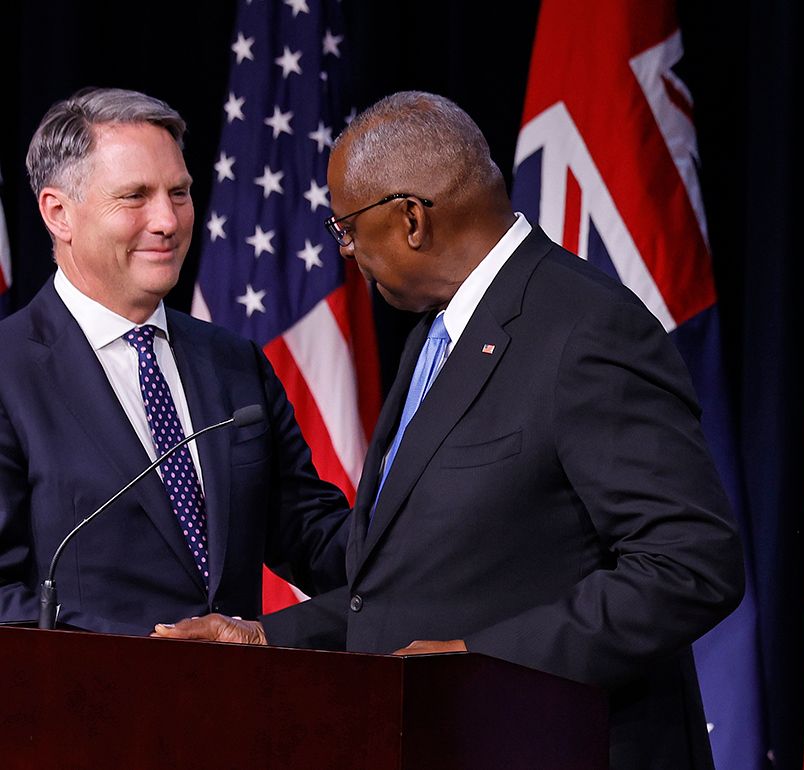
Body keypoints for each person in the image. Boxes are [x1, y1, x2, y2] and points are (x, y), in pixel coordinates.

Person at [155, 92, 744, 770]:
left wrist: (483, 662)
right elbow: (409, 591)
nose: (345, 251)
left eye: (345, 228)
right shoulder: (437, 336)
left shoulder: (584, 329)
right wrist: (259, 638)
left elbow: (689, 562)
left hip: (564, 745)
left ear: (410, 220)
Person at [0, 88, 349, 634]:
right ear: (58, 213)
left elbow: (310, 533)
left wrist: (427, 545)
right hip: (80, 709)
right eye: (136, 196)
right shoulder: (9, 371)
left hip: (247, 708)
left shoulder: (235, 363)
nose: (167, 220)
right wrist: (153, 657)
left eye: (179, 193)